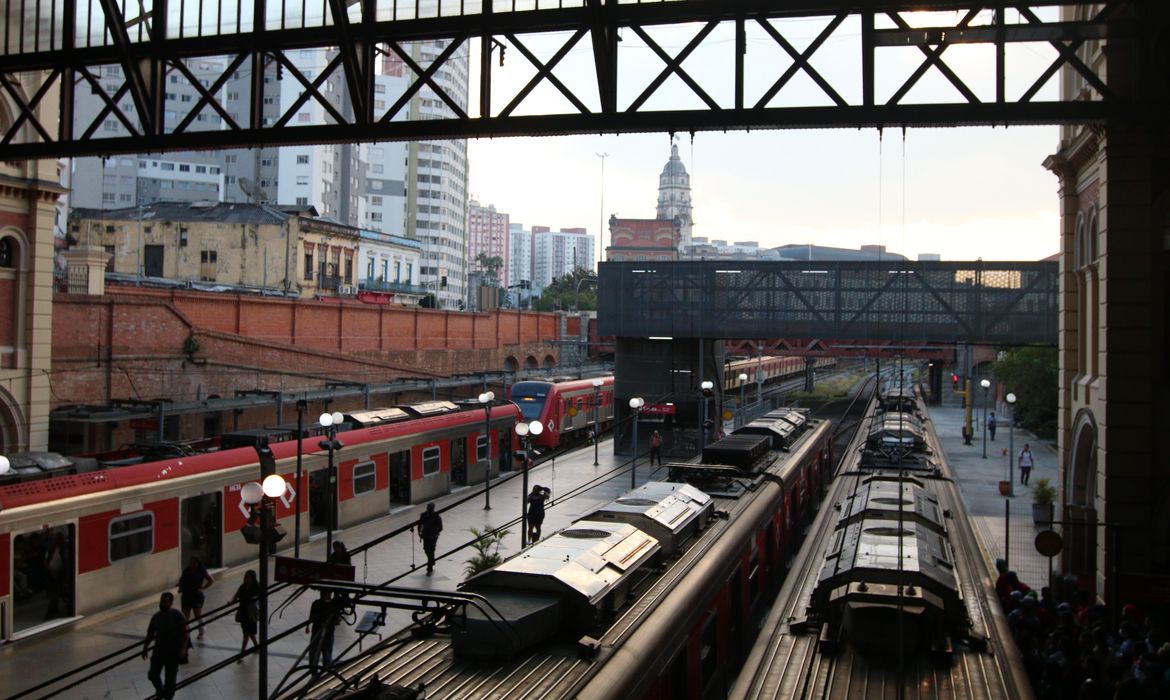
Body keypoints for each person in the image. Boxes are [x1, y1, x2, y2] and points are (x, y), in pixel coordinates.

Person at [142, 591, 188, 700]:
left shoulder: (177, 615)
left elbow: (186, 633)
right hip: (159, 649)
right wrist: (145, 648)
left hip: (173, 651)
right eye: (161, 601)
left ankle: (167, 697)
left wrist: (183, 649)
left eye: (165, 602)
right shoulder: (156, 617)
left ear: (171, 603)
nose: (162, 604)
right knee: (153, 674)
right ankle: (161, 692)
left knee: (170, 679)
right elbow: (150, 633)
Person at [178, 556, 213, 640]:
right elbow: (181, 580)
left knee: (197, 614)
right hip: (186, 594)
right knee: (186, 615)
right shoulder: (187, 570)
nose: (192, 564)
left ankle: (202, 630)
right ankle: (187, 632)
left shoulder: (201, 571)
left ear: (198, 563)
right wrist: (180, 587)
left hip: (196, 595)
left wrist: (203, 588)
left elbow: (211, 580)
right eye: (191, 562)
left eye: (194, 562)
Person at [229, 569, 260, 660]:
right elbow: (236, 596)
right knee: (248, 632)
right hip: (243, 612)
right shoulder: (242, 587)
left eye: (248, 577)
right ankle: (256, 646)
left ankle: (242, 652)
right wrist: (231, 601)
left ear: (252, 578)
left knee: (247, 632)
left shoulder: (256, 587)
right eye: (245, 577)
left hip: (251, 613)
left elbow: (260, 598)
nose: (246, 579)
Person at [307, 589, 339, 672]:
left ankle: (318, 668)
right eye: (329, 593)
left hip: (324, 632)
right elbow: (312, 616)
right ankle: (321, 669)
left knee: (321, 652)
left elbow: (311, 617)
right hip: (322, 632)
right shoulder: (332, 604)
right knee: (320, 652)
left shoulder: (317, 603)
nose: (330, 595)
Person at [418, 503, 443, 575]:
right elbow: (419, 524)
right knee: (426, 549)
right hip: (425, 535)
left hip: (433, 536)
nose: (428, 509)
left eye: (429, 508)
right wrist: (419, 533)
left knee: (431, 550)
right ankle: (432, 560)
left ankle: (429, 569)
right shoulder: (423, 515)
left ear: (433, 508)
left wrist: (435, 534)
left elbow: (441, 528)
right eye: (427, 507)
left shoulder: (437, 516)